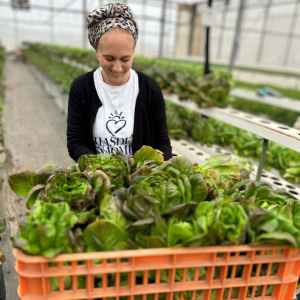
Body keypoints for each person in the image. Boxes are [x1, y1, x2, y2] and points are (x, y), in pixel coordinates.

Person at [67, 3, 172, 162]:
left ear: (133, 54)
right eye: (109, 58)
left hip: (140, 179)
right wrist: (100, 169)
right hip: (97, 176)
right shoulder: (81, 87)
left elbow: (162, 143)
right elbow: (76, 142)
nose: (117, 68)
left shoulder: (149, 89)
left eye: (125, 59)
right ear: (97, 52)